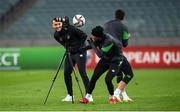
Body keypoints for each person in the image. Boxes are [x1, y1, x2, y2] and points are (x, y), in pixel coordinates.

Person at [79, 26, 133, 104]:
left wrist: (93, 44)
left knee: (108, 80)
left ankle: (112, 97)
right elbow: (94, 45)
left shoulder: (109, 40)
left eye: (93, 35)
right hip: (106, 59)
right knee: (94, 77)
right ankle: (87, 97)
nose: (92, 36)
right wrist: (82, 49)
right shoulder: (100, 38)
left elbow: (100, 54)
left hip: (115, 61)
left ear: (98, 36)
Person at [52, 16, 93, 102]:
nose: (57, 26)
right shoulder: (56, 35)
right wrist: (69, 49)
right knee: (66, 73)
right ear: (53, 25)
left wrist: (77, 47)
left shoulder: (71, 29)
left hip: (80, 51)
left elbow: (84, 36)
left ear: (62, 24)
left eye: (59, 24)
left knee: (82, 72)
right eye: (55, 24)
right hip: (70, 53)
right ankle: (70, 95)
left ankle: (89, 95)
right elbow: (64, 44)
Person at [104, 9, 134, 102]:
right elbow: (125, 44)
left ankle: (124, 96)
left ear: (115, 15)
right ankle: (116, 94)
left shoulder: (107, 24)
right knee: (129, 74)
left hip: (107, 53)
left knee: (119, 73)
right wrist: (127, 37)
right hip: (117, 54)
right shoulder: (123, 27)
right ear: (123, 17)